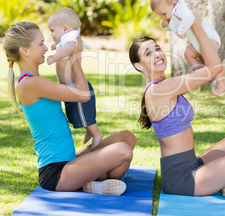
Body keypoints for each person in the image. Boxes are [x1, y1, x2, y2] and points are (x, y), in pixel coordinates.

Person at [129, 8, 225, 200]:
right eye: (148, 53)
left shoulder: (167, 85)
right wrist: (197, 26)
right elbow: (214, 68)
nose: (157, 54)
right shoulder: (161, 89)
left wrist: (190, 53)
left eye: (157, 48)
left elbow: (207, 68)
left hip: (192, 165)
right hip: (181, 180)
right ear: (139, 66)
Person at [3, 21, 136, 195]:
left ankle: (94, 180)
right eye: (41, 43)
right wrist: (76, 58)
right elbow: (83, 94)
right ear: (24, 51)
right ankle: (98, 179)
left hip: (69, 161)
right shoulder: (30, 84)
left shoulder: (35, 81)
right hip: (56, 174)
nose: (46, 48)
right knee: (123, 151)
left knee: (127, 137)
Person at [150, 0, 225, 96]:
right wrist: (164, 24)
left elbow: (189, 18)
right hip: (197, 43)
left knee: (214, 63)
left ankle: (221, 84)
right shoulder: (172, 12)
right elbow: (170, 27)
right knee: (188, 54)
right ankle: (201, 74)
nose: (163, 17)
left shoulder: (182, 8)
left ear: (173, 4)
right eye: (160, 15)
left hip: (209, 38)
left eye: (163, 14)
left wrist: (180, 31)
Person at [47, 7, 103, 149]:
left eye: (52, 31)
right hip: (70, 86)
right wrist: (56, 45)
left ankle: (96, 133)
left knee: (84, 114)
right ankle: (89, 131)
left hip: (76, 86)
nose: (51, 34)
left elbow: (70, 47)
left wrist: (54, 57)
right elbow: (64, 46)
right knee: (78, 114)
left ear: (65, 28)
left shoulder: (71, 38)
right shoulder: (67, 37)